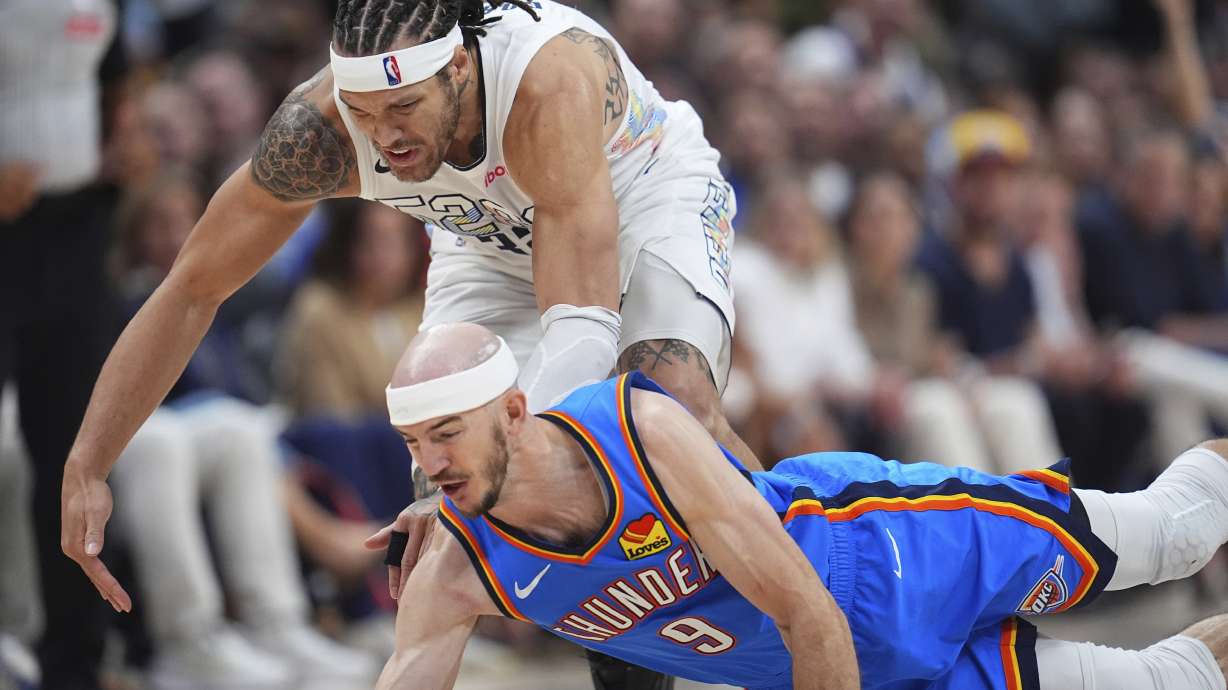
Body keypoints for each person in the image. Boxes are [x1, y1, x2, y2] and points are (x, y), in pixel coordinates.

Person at [63, 2, 750, 688]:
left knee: (657, 412)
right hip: (484, 241)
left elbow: (582, 330)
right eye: (364, 112)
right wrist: (90, 461)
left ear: (457, 69)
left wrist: (496, 472)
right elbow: (191, 289)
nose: (384, 138)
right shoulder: (322, 131)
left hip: (642, 198)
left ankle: (813, 576)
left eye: (403, 108)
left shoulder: (547, 83)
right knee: (442, 500)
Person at [369, 323, 1228, 690]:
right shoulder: (458, 567)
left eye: (447, 434)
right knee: (1166, 683)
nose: (429, 462)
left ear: (513, 413)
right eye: (414, 444)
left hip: (881, 555)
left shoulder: (635, 431)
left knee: (1175, 535)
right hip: (826, 675)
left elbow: (807, 609)